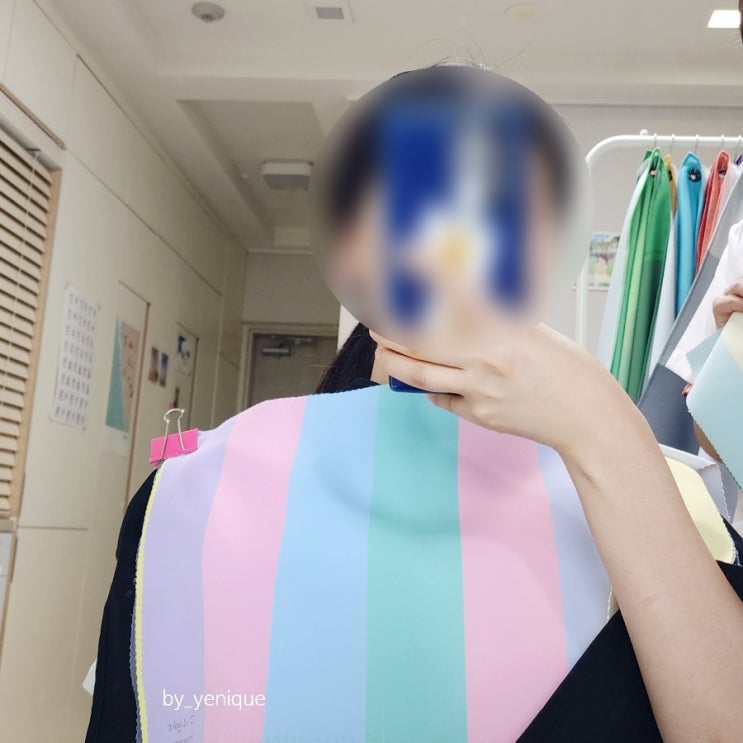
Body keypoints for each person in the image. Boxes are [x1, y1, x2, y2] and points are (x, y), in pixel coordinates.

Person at [87, 64, 743, 743]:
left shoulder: (663, 498)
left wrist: (603, 423)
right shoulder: (188, 493)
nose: (455, 234)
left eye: (497, 203)